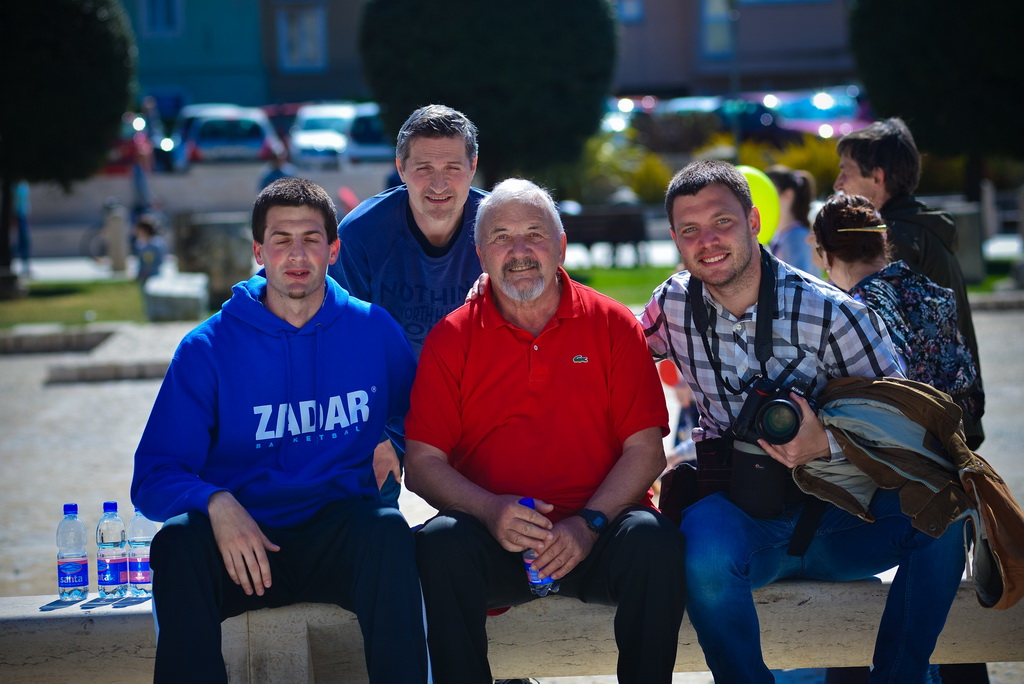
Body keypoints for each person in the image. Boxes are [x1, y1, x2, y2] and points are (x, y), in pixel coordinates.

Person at [641, 160, 967, 683]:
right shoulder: (673, 304)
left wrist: (827, 445)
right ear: (676, 241)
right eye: (690, 230)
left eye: (722, 221)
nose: (708, 240)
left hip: (843, 520)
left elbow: (910, 427)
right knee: (703, 540)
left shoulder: (833, 313)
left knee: (946, 515)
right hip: (744, 522)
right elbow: (604, 352)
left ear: (753, 221)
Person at [131, 178, 428, 683]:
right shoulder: (208, 348)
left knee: (389, 534)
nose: (296, 254)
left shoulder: (374, 331)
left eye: (311, 239)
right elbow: (153, 478)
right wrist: (216, 502)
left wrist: (395, 442)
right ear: (258, 251)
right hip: (243, 545)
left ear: (334, 249)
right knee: (178, 545)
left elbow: (426, 419)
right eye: (281, 240)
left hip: (339, 535)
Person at [406, 178, 686, 684]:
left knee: (655, 542)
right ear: (480, 253)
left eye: (534, 234)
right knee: (439, 544)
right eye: (501, 237)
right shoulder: (450, 338)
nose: (519, 252)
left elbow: (645, 451)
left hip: (598, 534)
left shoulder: (612, 324)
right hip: (496, 542)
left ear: (560, 244)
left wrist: (587, 524)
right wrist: (490, 511)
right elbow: (422, 465)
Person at [328, 104, 486, 509]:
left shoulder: (500, 228)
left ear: (473, 166)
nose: (438, 183)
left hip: (476, 405)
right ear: (400, 168)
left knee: (505, 512)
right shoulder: (362, 234)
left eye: (452, 167)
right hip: (387, 404)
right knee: (365, 507)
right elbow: (338, 343)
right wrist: (372, 434)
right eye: (422, 168)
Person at [835, 117, 984, 449]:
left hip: (929, 429)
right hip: (952, 414)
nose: (837, 183)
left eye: (846, 171)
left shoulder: (892, 242)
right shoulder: (919, 227)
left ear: (878, 177)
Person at [765, 165, 816, 274]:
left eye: (770, 192)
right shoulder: (780, 235)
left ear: (788, 195)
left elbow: (800, 285)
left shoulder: (796, 236)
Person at [133, 214, 167, 286]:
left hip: (155, 278)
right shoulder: (140, 245)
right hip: (143, 278)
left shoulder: (156, 244)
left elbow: (159, 261)